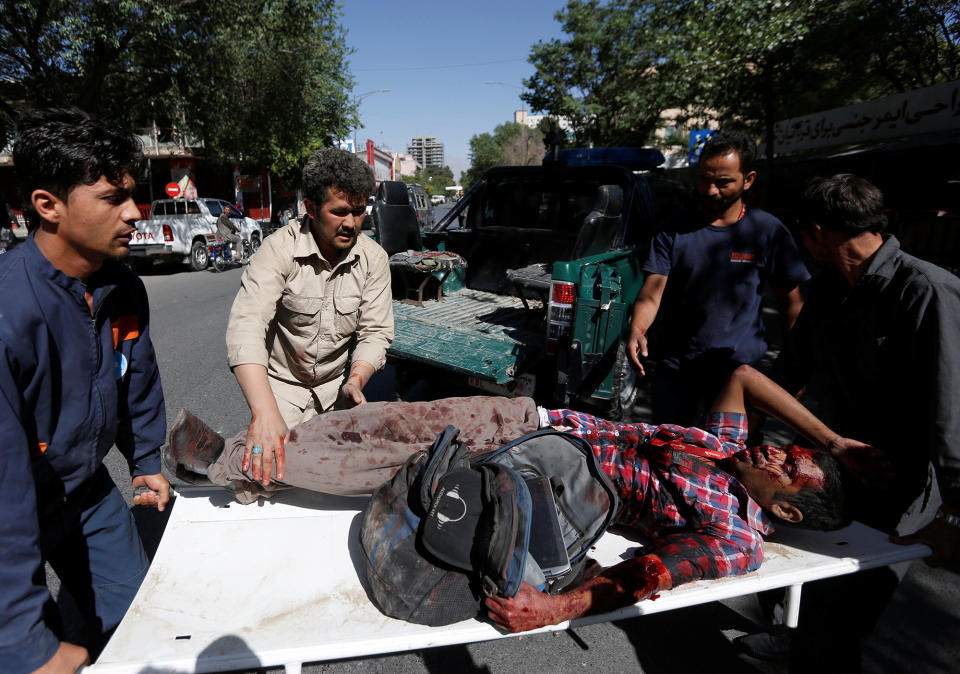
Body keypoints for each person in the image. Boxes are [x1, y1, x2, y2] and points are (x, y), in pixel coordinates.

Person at [165, 365, 866, 631]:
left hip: (541, 471)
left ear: (787, 511)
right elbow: (744, 374)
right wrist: (830, 438)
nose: (775, 448)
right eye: (786, 444)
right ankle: (255, 454)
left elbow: (652, 575)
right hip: (540, 419)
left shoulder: (735, 534)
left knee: (396, 455)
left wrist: (555, 607)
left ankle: (227, 463)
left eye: (790, 464)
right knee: (376, 419)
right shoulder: (726, 446)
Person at [746, 174, 960, 670]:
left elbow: (953, 411)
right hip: (832, 466)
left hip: (897, 482)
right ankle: (797, 642)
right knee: (809, 575)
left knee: (851, 607)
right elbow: (791, 373)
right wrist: (751, 435)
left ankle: (819, 654)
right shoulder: (826, 290)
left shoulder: (927, 292)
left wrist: (953, 515)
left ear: (815, 231)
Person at [0, 108, 170, 673]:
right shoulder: (9, 311)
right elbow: (4, 488)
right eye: (111, 197)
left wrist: (145, 459)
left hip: (86, 491)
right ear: (48, 205)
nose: (133, 212)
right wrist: (24, 645)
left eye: (133, 193)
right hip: (17, 500)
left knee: (135, 621)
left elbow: (137, 376)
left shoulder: (122, 285)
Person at [225, 147, 393, 490]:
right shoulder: (277, 250)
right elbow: (247, 326)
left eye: (359, 212)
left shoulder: (374, 259)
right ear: (311, 208)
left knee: (336, 486)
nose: (351, 223)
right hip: (282, 390)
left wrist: (357, 379)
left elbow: (375, 332)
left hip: (338, 391)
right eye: (340, 212)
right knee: (268, 481)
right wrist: (263, 411)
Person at [626, 130, 810, 426]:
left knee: (734, 460)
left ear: (748, 179)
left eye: (723, 182)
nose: (710, 190)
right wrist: (638, 329)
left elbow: (792, 303)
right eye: (704, 179)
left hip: (738, 372)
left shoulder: (768, 231)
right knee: (668, 451)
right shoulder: (673, 229)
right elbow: (652, 291)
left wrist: (795, 366)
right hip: (677, 368)